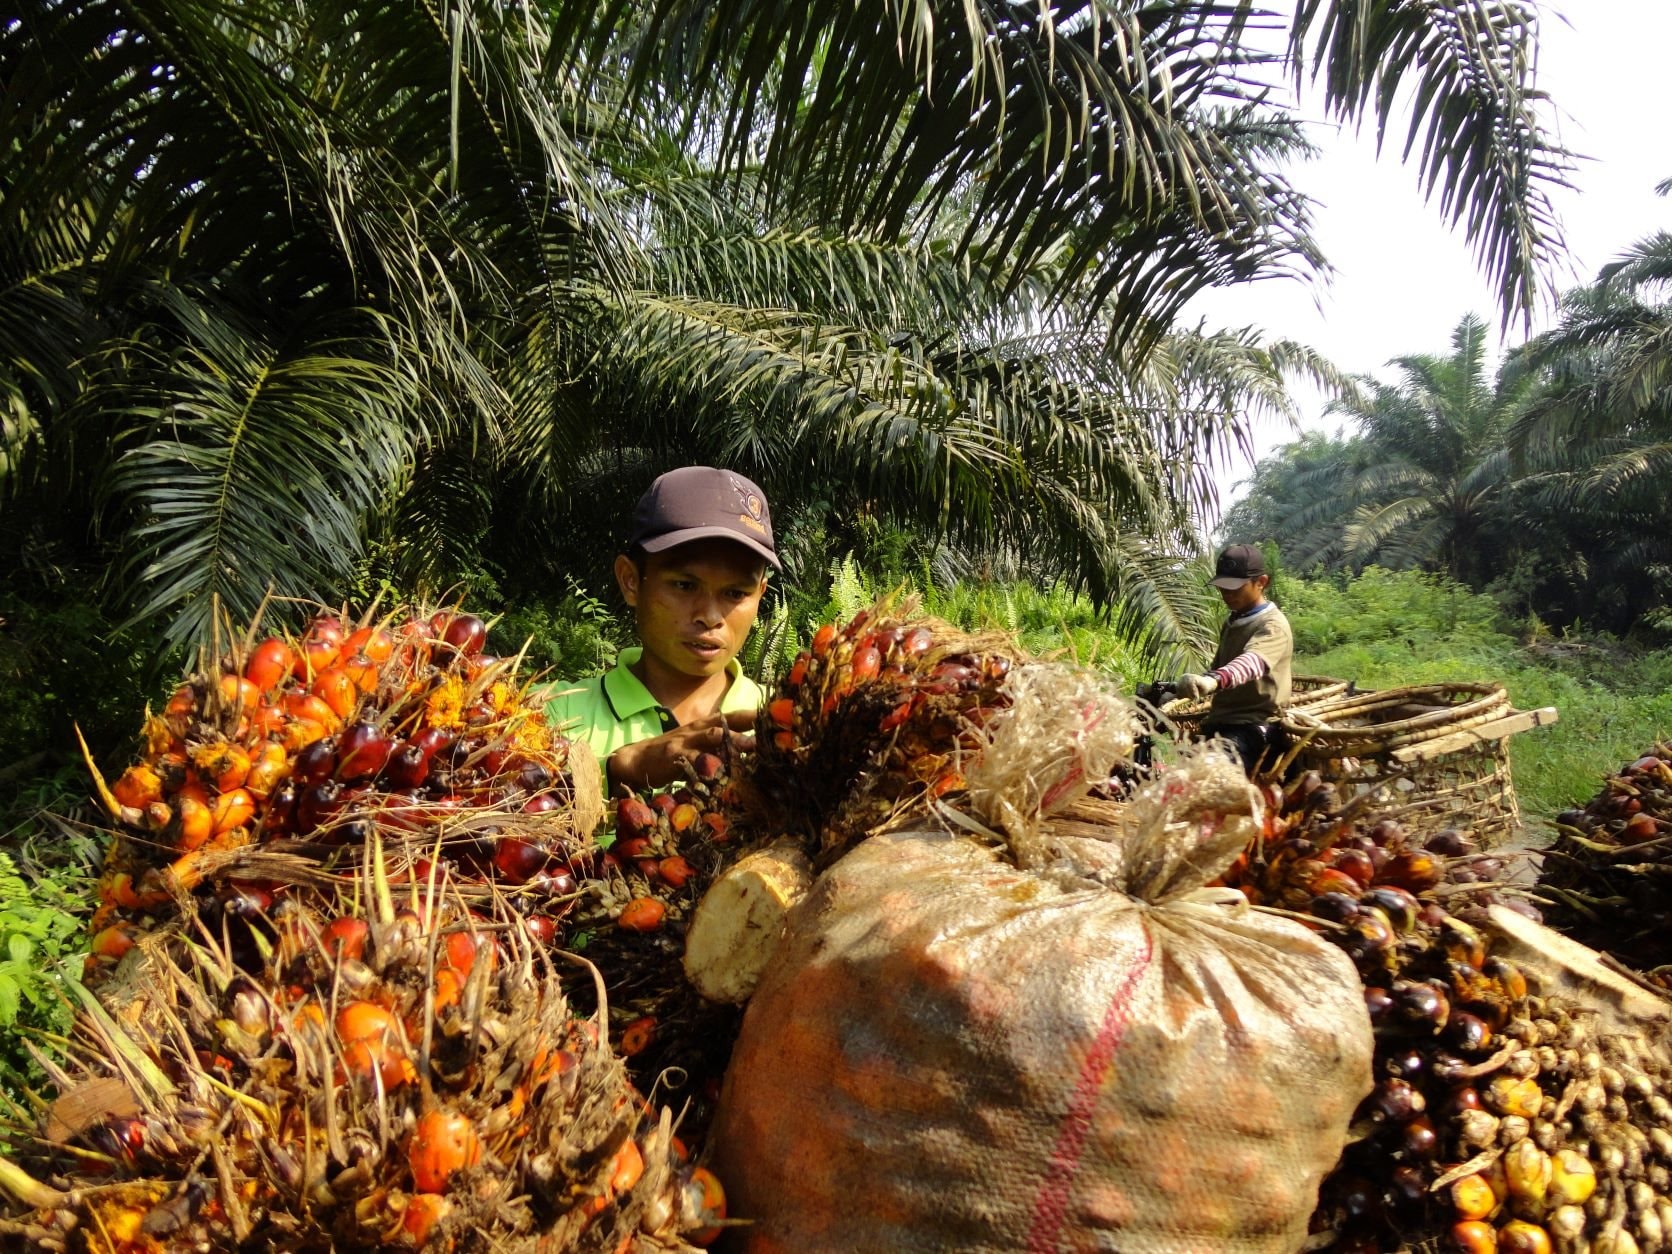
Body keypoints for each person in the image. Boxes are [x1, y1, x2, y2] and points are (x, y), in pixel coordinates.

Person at [546, 466, 778, 793]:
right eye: (684, 585)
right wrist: (615, 771)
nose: (710, 616)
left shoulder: (786, 721)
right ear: (630, 581)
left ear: (760, 594)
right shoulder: (556, 713)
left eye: (736, 593)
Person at [1165, 543, 1293, 771]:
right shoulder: (1234, 621)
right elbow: (1219, 670)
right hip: (1222, 721)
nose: (1227, 594)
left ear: (1261, 582)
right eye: (1223, 588)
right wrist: (1175, 690)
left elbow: (1252, 662)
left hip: (1254, 726)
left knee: (1206, 775)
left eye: (1235, 588)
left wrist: (1211, 681)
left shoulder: (1273, 625)